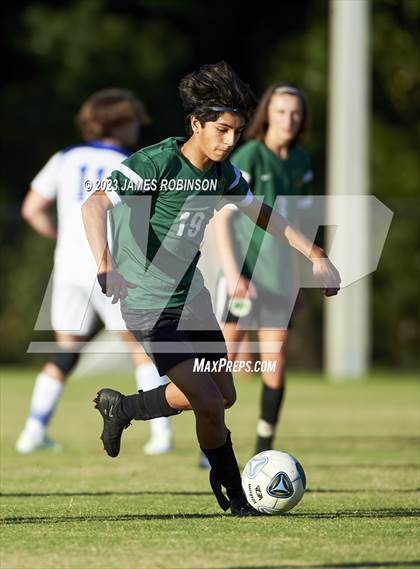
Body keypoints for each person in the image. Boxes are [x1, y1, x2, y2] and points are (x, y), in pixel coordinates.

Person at [81, 62, 340, 516]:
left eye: (237, 132)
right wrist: (105, 264)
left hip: (192, 299)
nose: (230, 141)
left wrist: (315, 253)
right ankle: (236, 497)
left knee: (224, 396)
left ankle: (122, 408)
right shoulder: (156, 162)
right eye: (221, 130)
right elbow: (95, 202)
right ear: (195, 124)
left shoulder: (221, 175)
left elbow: (262, 212)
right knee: (206, 401)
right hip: (147, 304)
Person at [16, 88, 174, 456]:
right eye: (133, 118)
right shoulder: (131, 161)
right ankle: (161, 436)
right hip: (111, 268)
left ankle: (33, 431)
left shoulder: (65, 157)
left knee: (65, 352)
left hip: (69, 268)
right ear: (118, 121)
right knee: (142, 351)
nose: (138, 125)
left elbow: (31, 208)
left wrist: (63, 237)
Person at [214, 82, 314, 453]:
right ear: (267, 115)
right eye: (281, 111)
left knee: (275, 364)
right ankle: (211, 444)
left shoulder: (302, 163)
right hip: (245, 276)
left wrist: (301, 279)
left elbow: (299, 226)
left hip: (281, 279)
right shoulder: (251, 155)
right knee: (222, 365)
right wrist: (234, 273)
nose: (288, 119)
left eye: (295, 112)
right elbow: (221, 219)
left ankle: (263, 450)